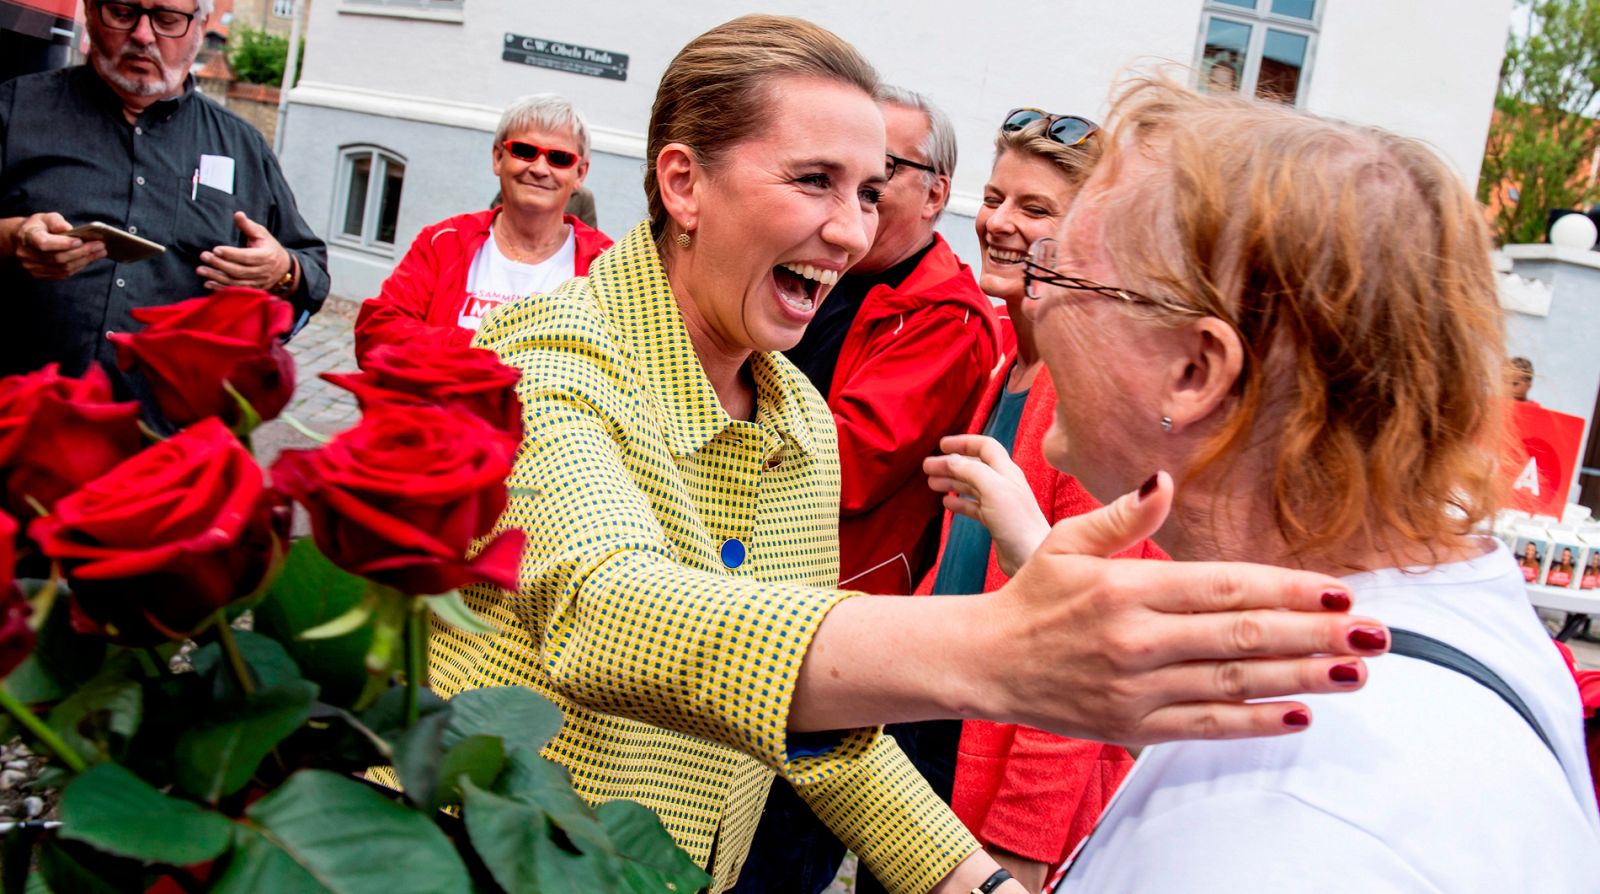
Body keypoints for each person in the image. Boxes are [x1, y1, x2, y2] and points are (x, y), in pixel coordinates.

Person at [430, 18, 1391, 894]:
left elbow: (824, 732)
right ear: (683, 184)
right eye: (814, 181)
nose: (851, 232)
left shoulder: (799, 419)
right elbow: (605, 610)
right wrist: (994, 650)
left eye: (867, 193)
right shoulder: (542, 359)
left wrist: (980, 885)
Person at [938, 76, 1600, 891]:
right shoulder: (1416, 621)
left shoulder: (1278, 824)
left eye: (1065, 277)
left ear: (1195, 370)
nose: (1035, 303)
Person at [736, 86, 1001, 894]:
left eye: (883, 172)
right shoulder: (833, 271)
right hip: (757, 597)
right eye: (841, 172)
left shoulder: (945, 315)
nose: (862, 197)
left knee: (774, 860)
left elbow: (848, 466)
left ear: (937, 193)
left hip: (829, 624)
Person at [913, 109, 1163, 892]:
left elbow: (1089, 641)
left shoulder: (1092, 395)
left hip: (996, 786)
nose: (999, 223)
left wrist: (1019, 846)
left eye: (1035, 208)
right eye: (995, 198)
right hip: (935, 737)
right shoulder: (1010, 367)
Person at [0, 0, 328, 394]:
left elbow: (312, 271)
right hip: (20, 415)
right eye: (122, 12)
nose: (143, 35)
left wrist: (283, 270)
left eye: (167, 19)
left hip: (164, 424)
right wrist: (11, 237)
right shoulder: (15, 110)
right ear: (90, 11)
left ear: (201, 26)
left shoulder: (241, 145)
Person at [353, 94, 611, 363]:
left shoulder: (604, 265)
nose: (539, 168)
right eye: (524, 151)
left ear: (580, 173)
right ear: (498, 158)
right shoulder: (444, 241)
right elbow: (376, 335)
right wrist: (491, 348)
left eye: (559, 158)